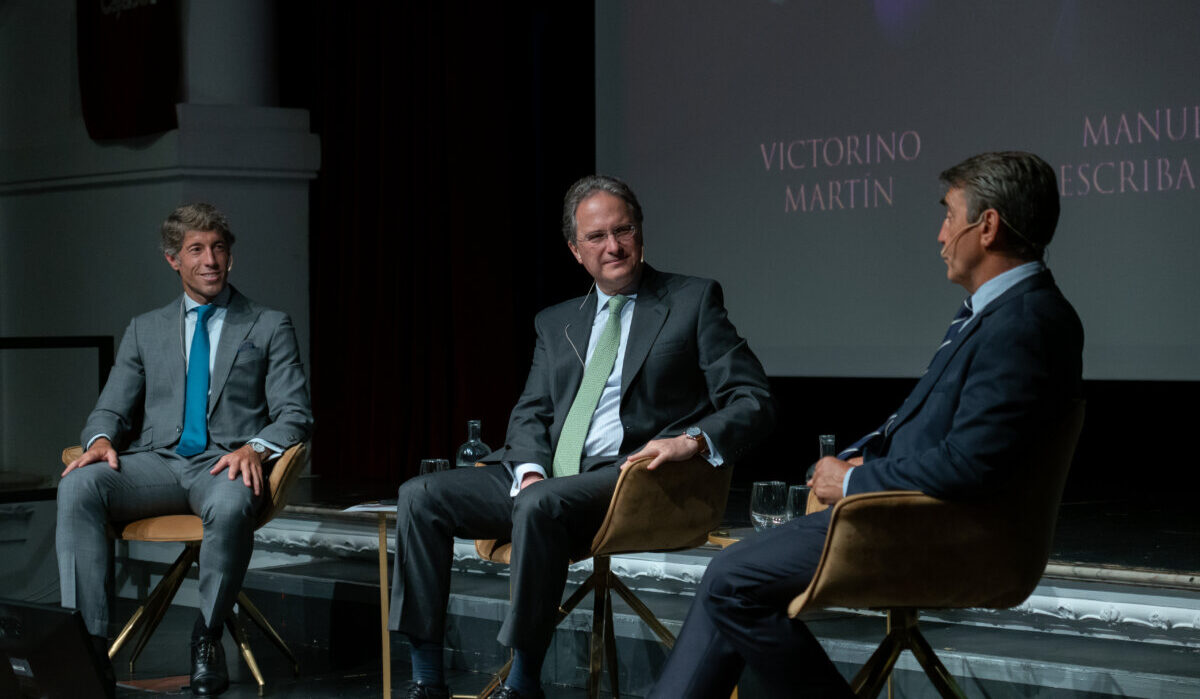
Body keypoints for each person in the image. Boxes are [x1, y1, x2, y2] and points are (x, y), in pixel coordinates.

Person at [648, 151, 1085, 698]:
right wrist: (858, 459)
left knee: (732, 579)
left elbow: (973, 464)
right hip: (909, 518)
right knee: (732, 577)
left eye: (949, 215)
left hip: (935, 535)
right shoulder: (1001, 313)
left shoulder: (1026, 322)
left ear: (988, 226)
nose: (940, 234)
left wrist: (852, 482)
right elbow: (935, 432)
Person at [390, 175, 776, 699]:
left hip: (628, 479)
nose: (613, 246)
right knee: (420, 495)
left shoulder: (691, 300)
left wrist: (692, 439)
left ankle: (523, 682)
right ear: (576, 250)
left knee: (539, 506)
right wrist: (526, 469)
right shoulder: (557, 322)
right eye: (596, 237)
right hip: (549, 478)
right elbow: (530, 411)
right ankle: (425, 678)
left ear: (641, 234)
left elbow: (752, 399)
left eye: (624, 231)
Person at [56, 203, 314, 697]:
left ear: (231, 257)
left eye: (219, 248)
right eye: (197, 250)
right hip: (158, 463)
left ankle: (207, 636)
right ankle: (87, 647)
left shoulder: (267, 325)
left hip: (222, 465)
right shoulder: (145, 329)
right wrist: (102, 440)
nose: (210, 260)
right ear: (174, 260)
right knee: (81, 484)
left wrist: (255, 448)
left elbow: (296, 413)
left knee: (232, 499)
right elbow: (109, 409)